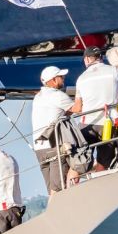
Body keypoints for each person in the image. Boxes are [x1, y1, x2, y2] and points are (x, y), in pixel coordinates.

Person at [71, 46, 118, 171]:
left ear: (87, 59)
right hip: (108, 123)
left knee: (77, 164)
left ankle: (72, 187)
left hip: (87, 124)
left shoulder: (81, 78)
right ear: (101, 58)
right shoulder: (115, 71)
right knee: (103, 163)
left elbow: (78, 107)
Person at [31, 65, 76, 195]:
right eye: (61, 77)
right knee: (57, 189)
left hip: (40, 149)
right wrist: (80, 94)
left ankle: (53, 212)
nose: (64, 79)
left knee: (51, 190)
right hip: (54, 146)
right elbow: (78, 109)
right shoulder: (58, 95)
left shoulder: (38, 97)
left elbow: (55, 114)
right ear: (54, 80)